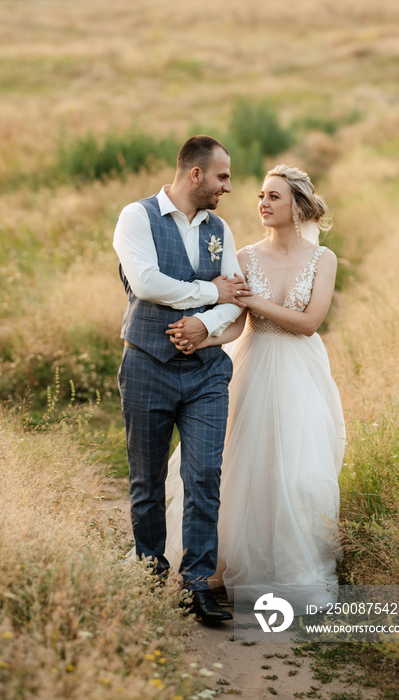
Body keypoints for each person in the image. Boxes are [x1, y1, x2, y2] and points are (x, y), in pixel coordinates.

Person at [165, 164, 346, 613]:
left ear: (297, 206)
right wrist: (199, 336)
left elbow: (309, 323)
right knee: (241, 465)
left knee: (300, 472)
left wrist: (253, 299)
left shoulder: (324, 260)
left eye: (273, 197)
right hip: (252, 363)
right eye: (261, 196)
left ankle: (287, 569)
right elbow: (235, 326)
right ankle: (219, 565)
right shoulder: (243, 257)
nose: (262, 204)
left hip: (300, 372)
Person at [113, 135, 253, 623]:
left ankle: (197, 581)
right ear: (196, 174)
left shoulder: (221, 229)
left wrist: (205, 325)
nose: (228, 187)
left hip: (207, 374)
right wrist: (205, 291)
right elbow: (147, 282)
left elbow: (235, 296)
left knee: (203, 477)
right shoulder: (137, 217)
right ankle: (151, 573)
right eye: (222, 177)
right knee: (147, 479)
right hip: (146, 365)